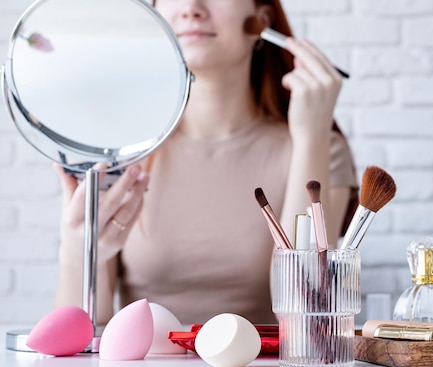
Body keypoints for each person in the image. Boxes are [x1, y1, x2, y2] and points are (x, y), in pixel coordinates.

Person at [54, 0, 357, 326]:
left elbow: (307, 321)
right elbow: (83, 335)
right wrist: (76, 251)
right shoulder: (122, 152)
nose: (191, 9)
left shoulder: (321, 150)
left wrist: (312, 138)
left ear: (261, 20)